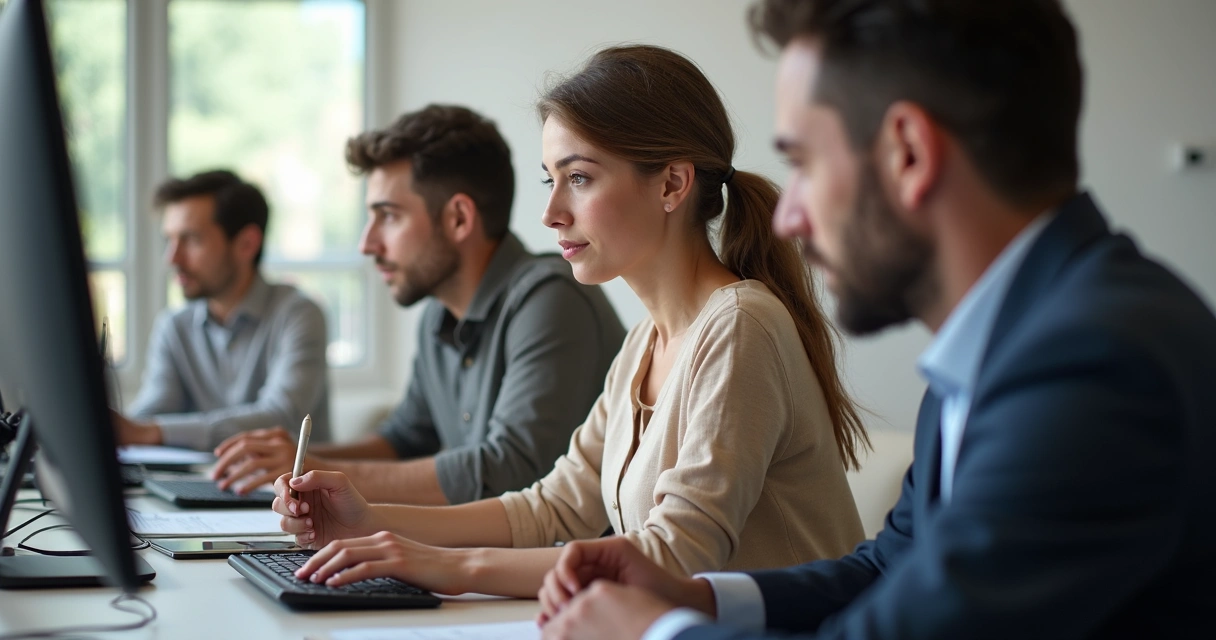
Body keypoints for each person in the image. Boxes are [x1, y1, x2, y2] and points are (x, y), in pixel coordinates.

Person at [534, 1, 1216, 639]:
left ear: (909, 155)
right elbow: (891, 569)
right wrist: (697, 598)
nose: (788, 215)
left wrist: (658, 632)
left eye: (803, 163)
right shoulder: (1009, 347)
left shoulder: (1090, 366)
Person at [269, 45, 870, 598]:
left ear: (672, 183)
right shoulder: (645, 342)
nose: (551, 213)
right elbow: (551, 508)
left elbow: (674, 557)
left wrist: (444, 565)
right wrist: (368, 520)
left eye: (579, 178)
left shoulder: (740, 327)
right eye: (551, 180)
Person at [211, 105, 626, 505]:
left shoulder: (551, 298)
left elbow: (509, 470)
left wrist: (318, 469)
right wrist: (292, 464)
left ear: (459, 219)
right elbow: (404, 440)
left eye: (388, 216)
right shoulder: (438, 315)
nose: (367, 244)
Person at [114, 170, 331, 451]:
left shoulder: (300, 314)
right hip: (191, 486)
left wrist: (149, 431)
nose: (172, 258)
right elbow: (152, 413)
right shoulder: (174, 326)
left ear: (246, 244)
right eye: (169, 240)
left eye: (190, 240)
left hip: (285, 491)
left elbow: (280, 418)